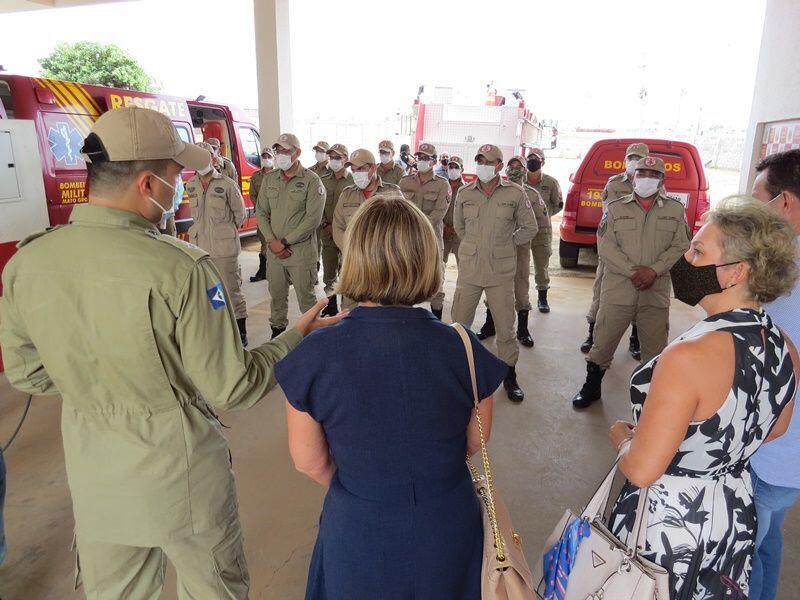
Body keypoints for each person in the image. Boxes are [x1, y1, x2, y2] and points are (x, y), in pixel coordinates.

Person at [0, 106, 345, 599]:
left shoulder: (29, 262)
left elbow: (29, 375)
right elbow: (234, 386)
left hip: (96, 479)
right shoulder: (180, 270)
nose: (179, 184)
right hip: (180, 479)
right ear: (147, 184)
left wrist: (100, 385)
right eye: (174, 174)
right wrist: (296, 337)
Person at [276, 195, 508, 599]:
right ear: (427, 260)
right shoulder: (463, 347)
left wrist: (368, 486)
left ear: (354, 259)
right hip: (448, 521)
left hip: (359, 526)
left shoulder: (316, 354)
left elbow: (308, 461)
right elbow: (477, 440)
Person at [607, 196, 799, 600]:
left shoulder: (688, 356)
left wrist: (624, 437)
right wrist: (715, 450)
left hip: (671, 523)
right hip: (732, 512)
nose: (685, 258)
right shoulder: (783, 344)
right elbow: (776, 427)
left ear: (736, 273)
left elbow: (642, 470)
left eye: (698, 250)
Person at [571, 156, 690, 409]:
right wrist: (633, 272)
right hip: (618, 291)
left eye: (653, 174)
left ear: (662, 180)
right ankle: (591, 388)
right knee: (603, 342)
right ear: (634, 177)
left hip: (654, 292)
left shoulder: (675, 210)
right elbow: (605, 247)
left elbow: (681, 245)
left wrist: (654, 271)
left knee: (655, 351)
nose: (646, 178)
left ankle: (651, 399)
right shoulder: (616, 208)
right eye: (642, 173)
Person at [748, 149, 800, 600]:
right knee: (767, 541)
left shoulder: (782, 269)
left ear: (783, 203)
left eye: (758, 199)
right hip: (789, 458)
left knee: (741, 553)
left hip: (771, 450)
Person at [451, 144, 538, 402]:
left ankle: (509, 375)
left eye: (487, 161)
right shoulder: (466, 193)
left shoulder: (515, 193)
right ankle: (459, 376)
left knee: (505, 329)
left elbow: (529, 227)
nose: (482, 165)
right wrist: (475, 247)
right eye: (479, 160)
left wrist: (507, 244)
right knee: (459, 326)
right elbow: (459, 226)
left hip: (500, 272)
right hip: (470, 269)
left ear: (499, 165)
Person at [581, 142, 649, 356]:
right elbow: (610, 216)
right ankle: (593, 334)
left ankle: (635, 338)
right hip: (614, 248)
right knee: (601, 291)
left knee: (641, 294)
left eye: (638, 158)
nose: (633, 162)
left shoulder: (655, 185)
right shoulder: (614, 183)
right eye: (631, 158)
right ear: (625, 160)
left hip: (641, 251)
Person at [256, 133, 326, 339]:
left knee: (307, 301)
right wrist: (271, 241)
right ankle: (276, 337)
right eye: (278, 151)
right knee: (277, 297)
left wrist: (284, 242)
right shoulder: (270, 179)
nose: (280, 155)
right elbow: (261, 212)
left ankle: (314, 341)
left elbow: (313, 219)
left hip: (301, 253)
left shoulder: (312, 181)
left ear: (297, 153)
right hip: (274, 253)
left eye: (286, 151)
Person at [185, 141, 249, 346]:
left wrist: (224, 233)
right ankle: (220, 330)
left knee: (231, 291)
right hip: (200, 249)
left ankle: (241, 333)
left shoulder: (227, 185)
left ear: (213, 158)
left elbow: (240, 215)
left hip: (224, 249)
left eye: (205, 156)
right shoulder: (191, 185)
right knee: (211, 291)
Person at [476, 156, 540, 347]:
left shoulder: (531, 194)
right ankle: (490, 324)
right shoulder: (494, 192)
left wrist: (511, 241)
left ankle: (522, 329)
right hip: (495, 251)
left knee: (520, 288)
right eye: (510, 166)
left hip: (518, 248)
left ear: (524, 169)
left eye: (518, 166)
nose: (514, 169)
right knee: (493, 284)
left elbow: (538, 225)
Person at [331, 148, 403, 311]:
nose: (356, 173)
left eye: (361, 169)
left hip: (382, 266)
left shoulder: (393, 193)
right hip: (353, 264)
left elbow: (401, 230)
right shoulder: (347, 194)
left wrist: (379, 252)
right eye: (353, 170)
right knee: (349, 311)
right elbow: (338, 226)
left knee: (383, 310)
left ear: (373, 168)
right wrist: (353, 249)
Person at [399, 142, 451, 319]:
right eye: (419, 157)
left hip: (432, 241)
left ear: (434, 161)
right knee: (406, 282)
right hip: (407, 241)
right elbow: (399, 208)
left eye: (425, 158)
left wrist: (416, 224)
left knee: (436, 285)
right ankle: (406, 321)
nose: (420, 161)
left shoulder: (442, 185)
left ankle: (437, 323)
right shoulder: (404, 182)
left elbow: (438, 213)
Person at [525, 148, 562, 313]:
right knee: (520, 266)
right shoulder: (519, 181)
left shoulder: (551, 182)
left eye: (536, 159)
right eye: (530, 158)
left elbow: (558, 204)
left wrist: (543, 215)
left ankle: (542, 299)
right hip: (522, 229)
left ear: (543, 162)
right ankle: (521, 298)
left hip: (542, 230)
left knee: (542, 266)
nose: (533, 161)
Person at [319, 143, 354, 316]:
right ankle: (331, 306)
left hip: (348, 236)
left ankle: (346, 308)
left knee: (347, 273)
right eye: (331, 157)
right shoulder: (323, 180)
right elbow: (318, 206)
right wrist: (326, 225)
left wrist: (340, 229)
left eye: (337, 157)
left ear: (346, 159)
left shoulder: (354, 181)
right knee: (329, 273)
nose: (333, 161)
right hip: (327, 234)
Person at [248, 146, 275, 283]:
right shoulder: (256, 177)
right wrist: (261, 208)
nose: (266, 159)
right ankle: (263, 270)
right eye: (264, 157)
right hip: (262, 215)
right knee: (264, 242)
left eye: (269, 157)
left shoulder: (279, 175)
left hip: (277, 216)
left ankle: (280, 272)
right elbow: (252, 194)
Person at [443, 155, 466, 265]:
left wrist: (456, 228)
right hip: (442, 232)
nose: (452, 170)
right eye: (450, 167)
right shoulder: (441, 186)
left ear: (462, 169)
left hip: (459, 234)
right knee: (438, 266)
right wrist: (443, 227)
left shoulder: (467, 189)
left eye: (456, 167)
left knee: (463, 267)